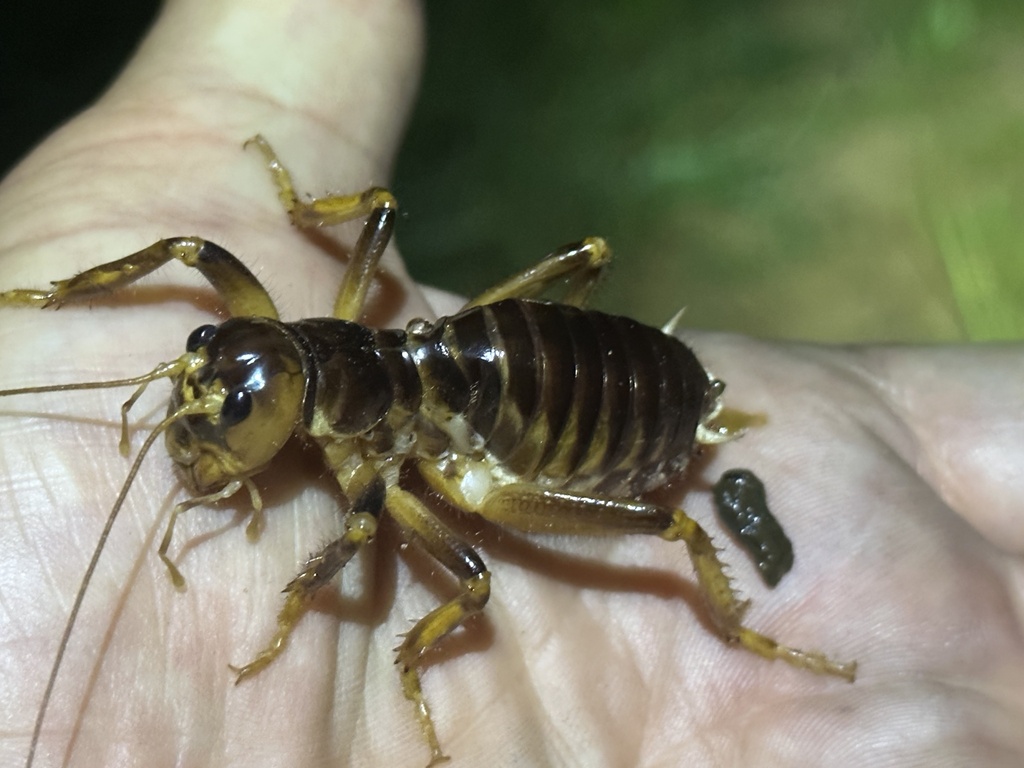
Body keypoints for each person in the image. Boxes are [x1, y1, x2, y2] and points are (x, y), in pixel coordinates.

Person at [1, 1, 1022, 765]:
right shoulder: (345, 375)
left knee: (663, 530)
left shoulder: (384, 491)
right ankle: (47, 296)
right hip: (486, 356)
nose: (207, 394)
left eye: (222, 390)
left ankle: (741, 627)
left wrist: (304, 627)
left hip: (572, 432)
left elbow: (399, 555)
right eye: (213, 378)